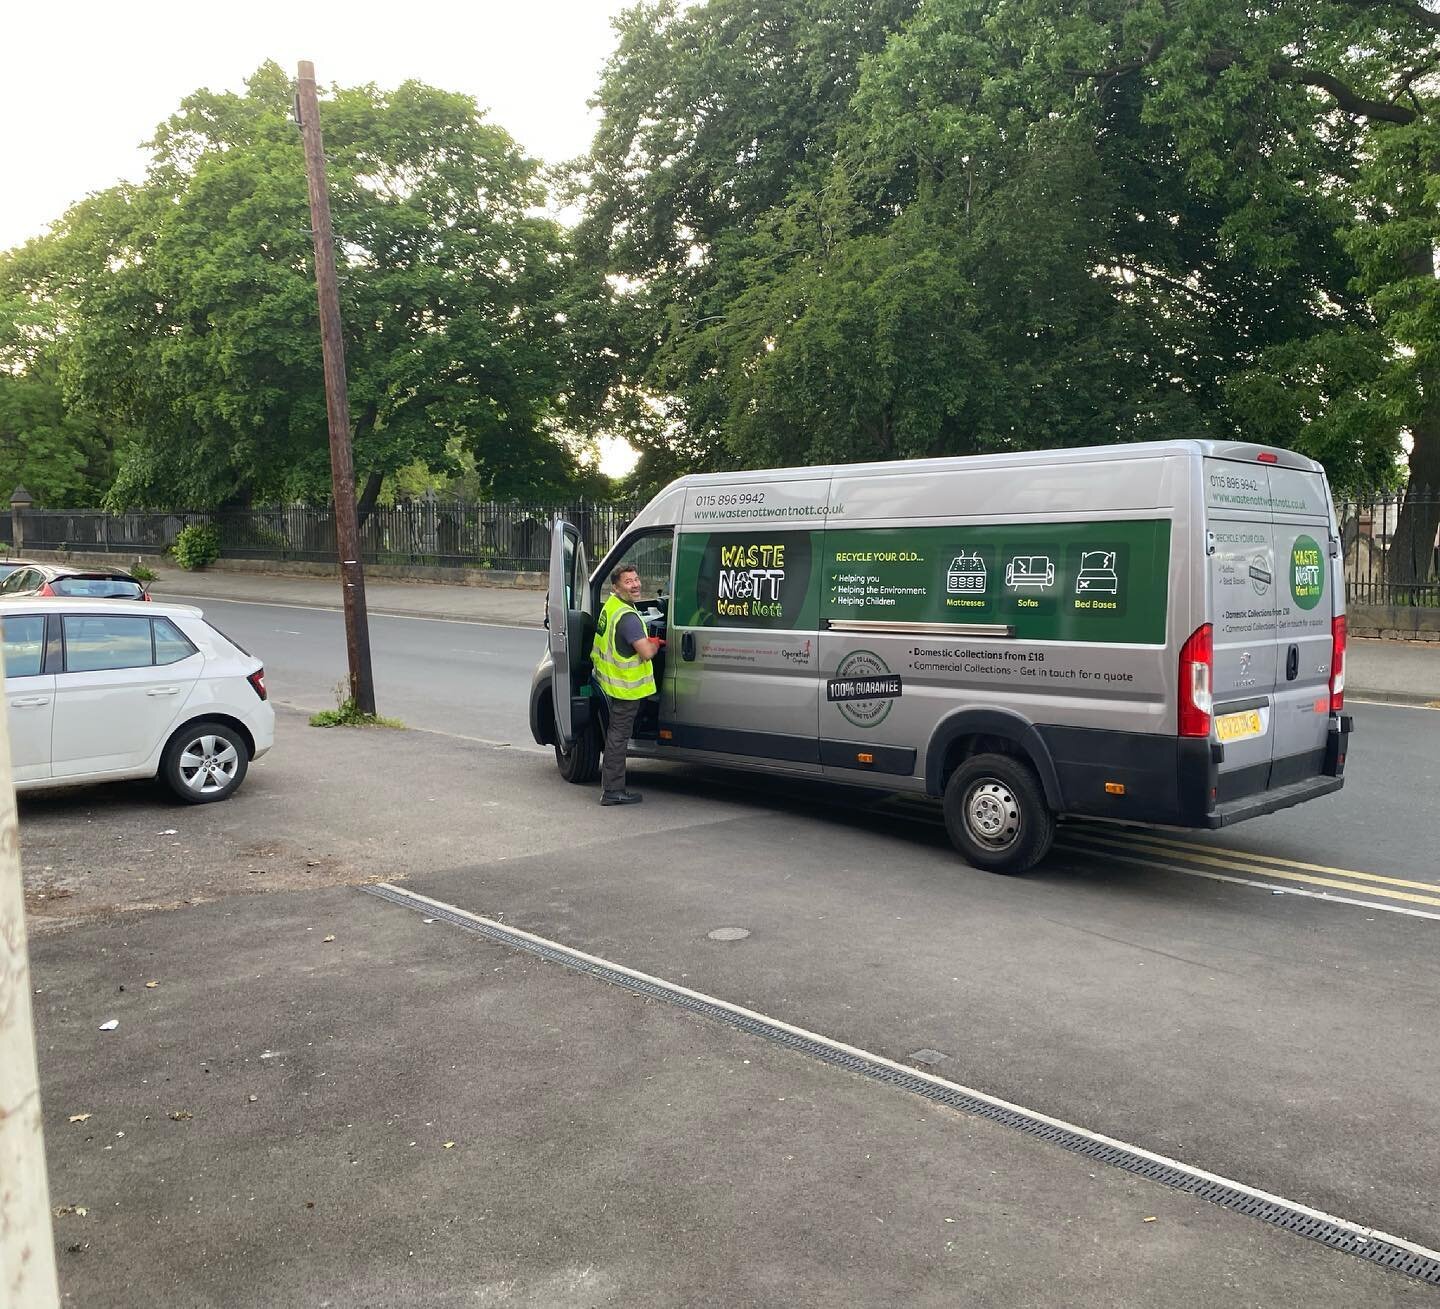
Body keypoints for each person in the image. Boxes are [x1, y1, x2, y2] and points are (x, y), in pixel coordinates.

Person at [590, 562, 662, 806]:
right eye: (629, 582)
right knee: (618, 738)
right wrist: (655, 643)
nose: (636, 584)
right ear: (616, 587)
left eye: (636, 579)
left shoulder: (611, 607)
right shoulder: (628, 617)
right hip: (626, 689)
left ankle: (612, 788)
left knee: (615, 736)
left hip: (609, 684)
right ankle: (612, 790)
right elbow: (646, 652)